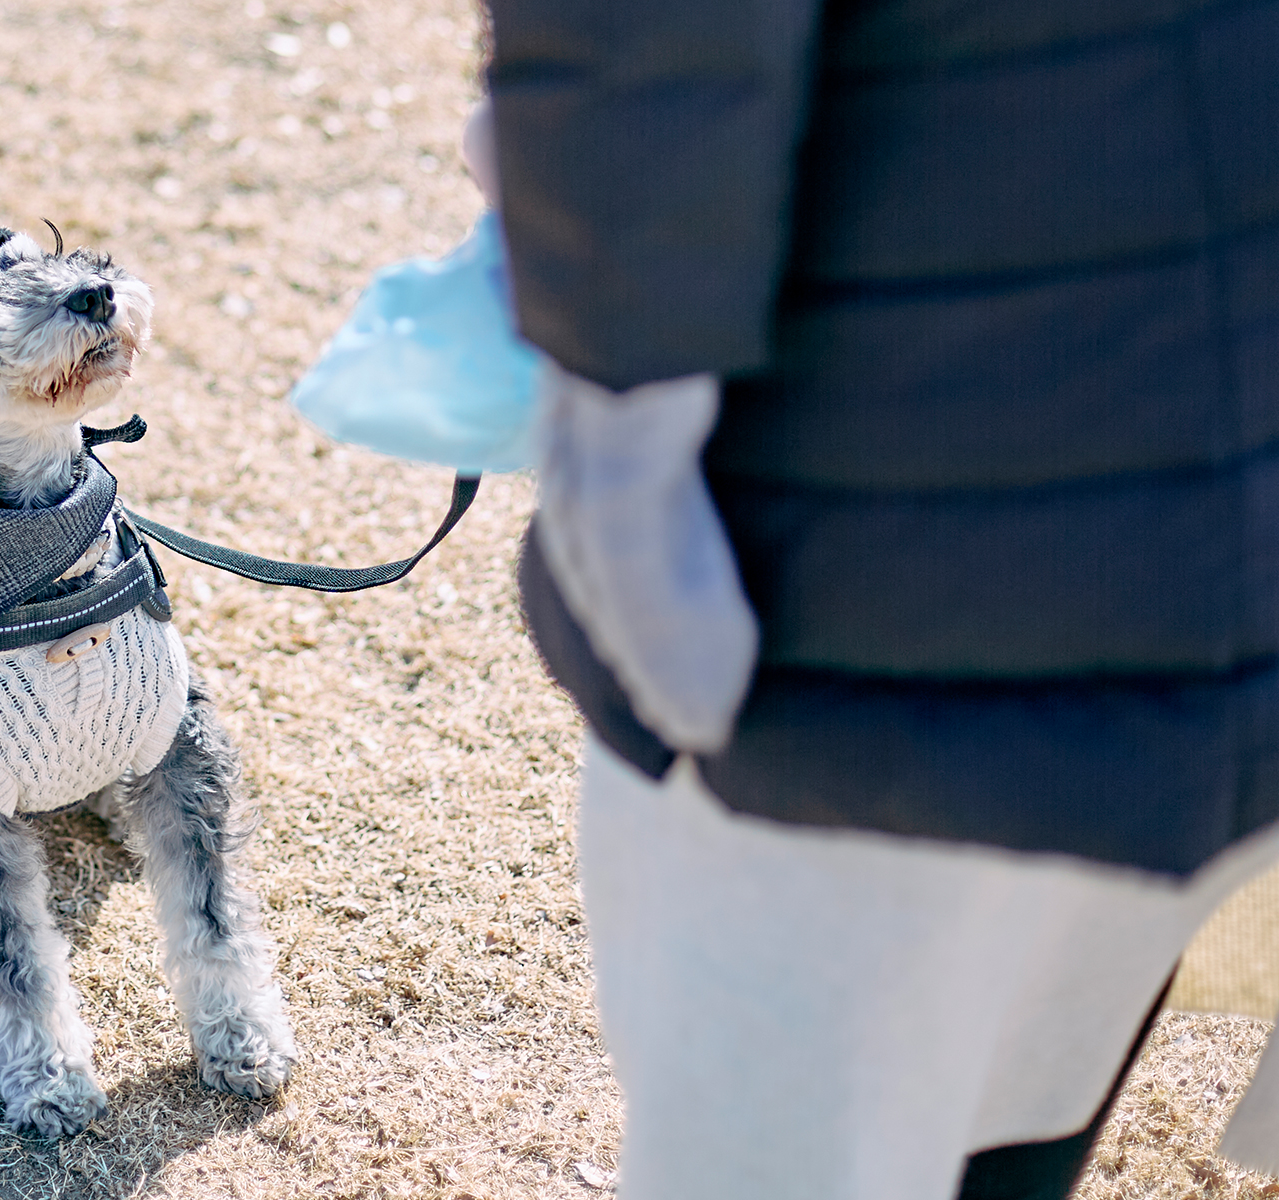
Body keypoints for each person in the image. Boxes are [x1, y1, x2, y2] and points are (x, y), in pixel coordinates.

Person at [480, 2, 1279, 1197]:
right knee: (1031, 1059)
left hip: (876, 513)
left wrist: (618, 414)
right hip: (1190, 486)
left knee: (824, 1119)